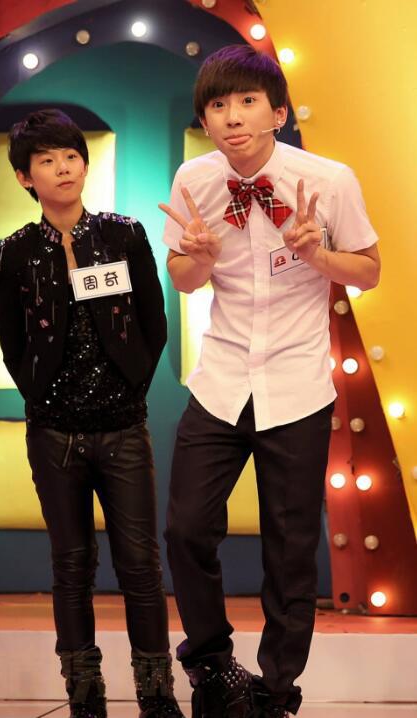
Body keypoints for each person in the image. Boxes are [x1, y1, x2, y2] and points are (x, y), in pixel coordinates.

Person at [160, 45, 380, 718]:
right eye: (217, 105)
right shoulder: (193, 180)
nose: (232, 117)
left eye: (247, 102)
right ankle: (211, 667)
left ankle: (276, 690)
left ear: (277, 113)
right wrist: (197, 259)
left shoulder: (328, 180)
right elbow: (183, 278)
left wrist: (317, 254)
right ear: (204, 120)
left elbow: (369, 270)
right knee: (186, 529)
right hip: (221, 380)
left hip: (296, 385)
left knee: (290, 551)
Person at [0, 109, 184, 718]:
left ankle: (157, 696)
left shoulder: (123, 235)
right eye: (46, 160)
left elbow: (154, 321)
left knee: (141, 567)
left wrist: (132, 385)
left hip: (123, 428)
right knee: (71, 566)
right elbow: (10, 338)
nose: (62, 168)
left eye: (71, 156)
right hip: (53, 434)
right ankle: (85, 697)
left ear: (85, 163)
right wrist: (38, 394)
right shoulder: (15, 252)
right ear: (25, 177)